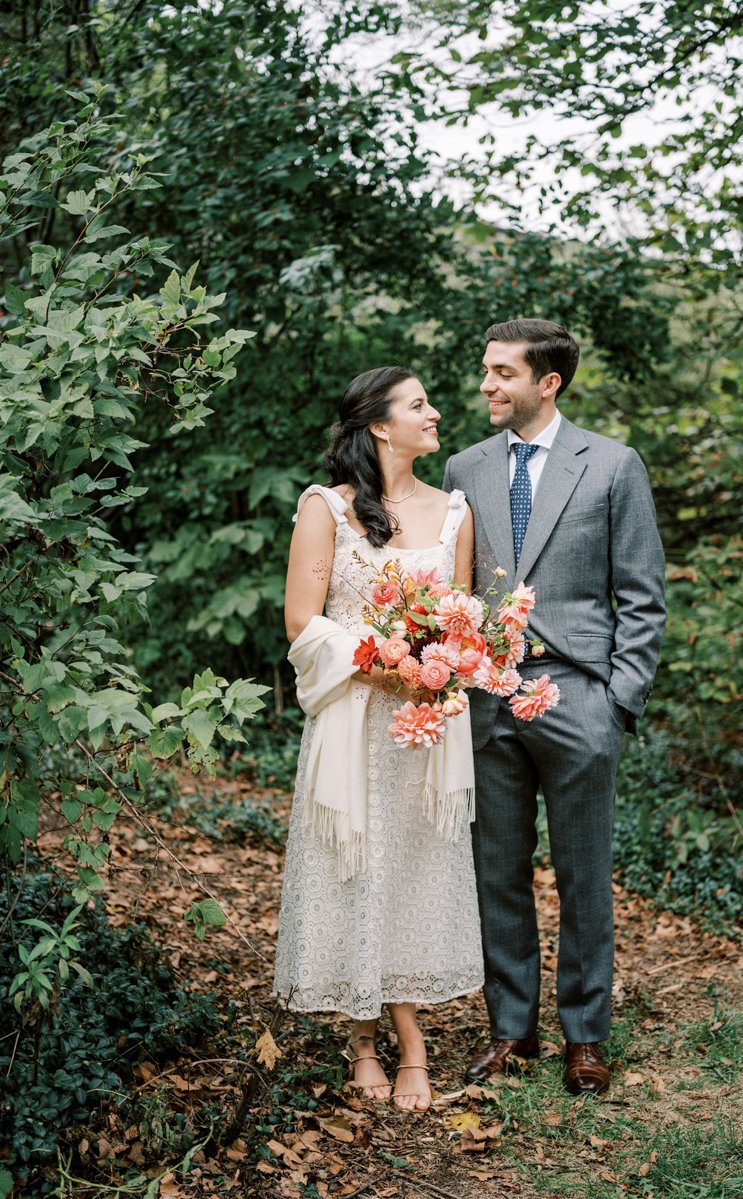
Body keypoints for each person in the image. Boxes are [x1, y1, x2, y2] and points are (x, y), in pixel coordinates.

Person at [443, 319, 666, 1095]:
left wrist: (617, 703)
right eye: (485, 369)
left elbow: (642, 598)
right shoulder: (463, 468)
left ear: (548, 382)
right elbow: (451, 585)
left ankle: (585, 1036)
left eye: (502, 372)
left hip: (577, 696)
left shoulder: (612, 465)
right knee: (496, 871)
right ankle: (512, 1031)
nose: (486, 385)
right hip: (486, 698)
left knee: (583, 875)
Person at [274, 366, 483, 1113]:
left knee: (413, 870)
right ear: (379, 425)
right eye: (419, 405)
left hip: (421, 726)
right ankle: (368, 1040)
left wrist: (435, 666)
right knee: (355, 864)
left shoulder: (455, 511)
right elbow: (304, 619)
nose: (436, 414)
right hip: (352, 717)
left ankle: (414, 1040)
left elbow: (460, 617)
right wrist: (378, 660)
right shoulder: (325, 508)